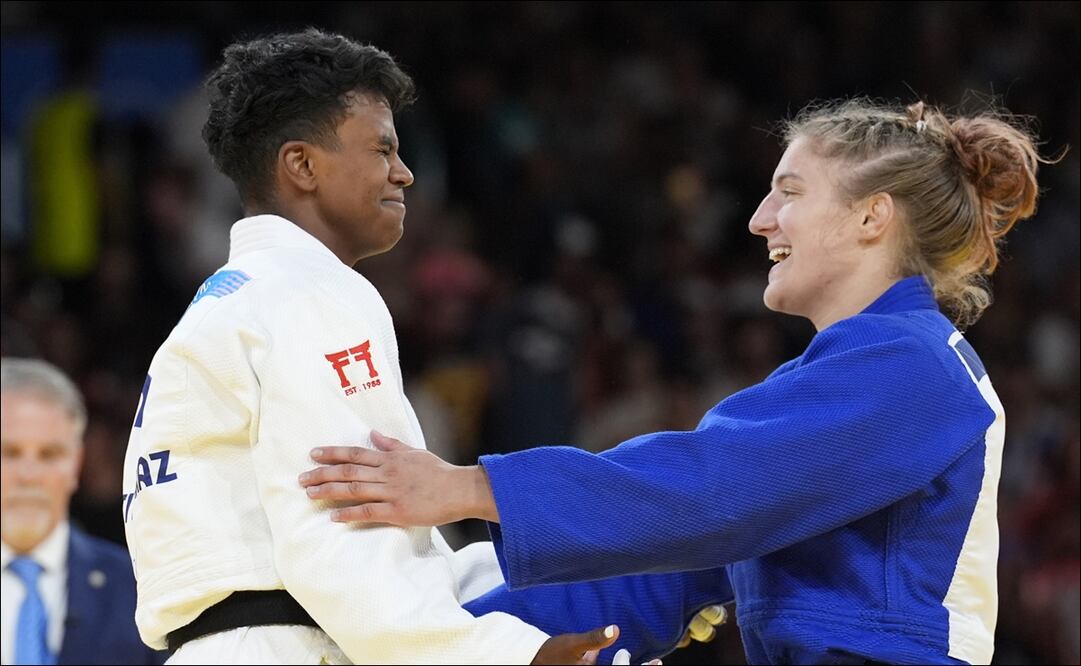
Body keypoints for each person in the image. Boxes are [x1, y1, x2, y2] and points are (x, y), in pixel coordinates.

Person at [299, 98, 1052, 664]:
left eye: (789, 192)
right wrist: (429, 644)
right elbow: (664, 567)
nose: (760, 219)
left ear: (870, 218)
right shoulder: (852, 376)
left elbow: (709, 491)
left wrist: (466, 488)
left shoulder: (911, 366)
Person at [120, 28, 631, 666]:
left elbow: (401, 562)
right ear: (302, 165)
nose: (404, 172)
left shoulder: (227, 302)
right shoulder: (313, 294)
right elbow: (342, 545)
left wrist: (613, 585)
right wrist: (516, 658)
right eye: (382, 149)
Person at [2, 357, 165, 665]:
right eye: (8, 452)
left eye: (49, 454)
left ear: (76, 464)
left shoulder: (137, 591)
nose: (29, 474)